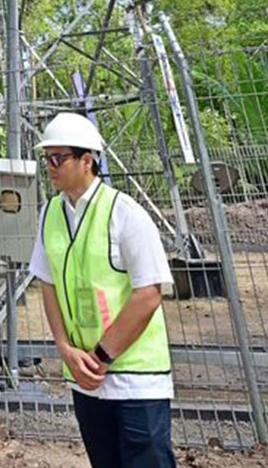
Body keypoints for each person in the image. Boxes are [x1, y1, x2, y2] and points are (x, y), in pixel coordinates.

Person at [29, 112, 175, 468]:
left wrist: (101, 356)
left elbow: (149, 293)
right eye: (46, 158)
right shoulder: (49, 214)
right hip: (86, 379)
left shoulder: (124, 213)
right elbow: (47, 284)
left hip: (136, 379)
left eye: (57, 158)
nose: (50, 166)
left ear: (87, 161)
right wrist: (65, 348)